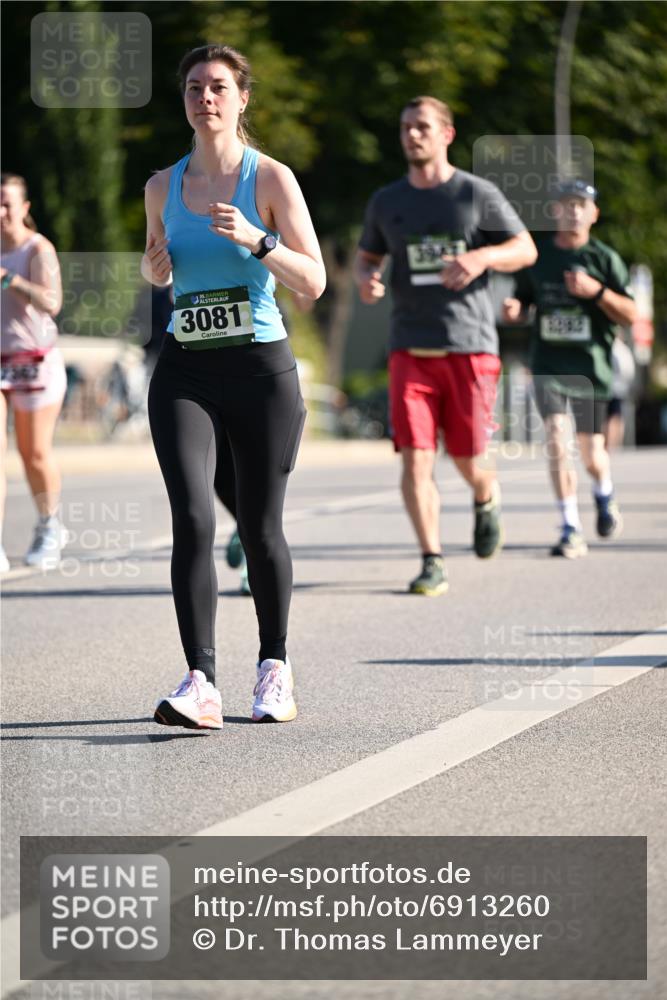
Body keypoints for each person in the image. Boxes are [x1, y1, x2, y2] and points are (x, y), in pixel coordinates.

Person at [143, 44, 325, 729]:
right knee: (191, 518)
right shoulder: (162, 185)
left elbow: (314, 283)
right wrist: (154, 268)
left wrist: (259, 240)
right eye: (193, 87)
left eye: (218, 86)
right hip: (186, 368)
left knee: (258, 526)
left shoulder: (270, 179)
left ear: (242, 99)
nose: (204, 98)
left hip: (259, 368)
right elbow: (159, 269)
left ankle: (273, 667)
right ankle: (200, 682)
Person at [354, 96, 537, 596]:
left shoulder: (476, 194)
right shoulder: (387, 201)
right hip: (410, 348)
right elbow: (367, 256)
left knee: (467, 457)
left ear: (447, 134)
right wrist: (368, 279)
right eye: (406, 127)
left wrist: (481, 257)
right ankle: (431, 558)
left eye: (422, 127)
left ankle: (485, 496)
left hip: (469, 346)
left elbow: (526, 249)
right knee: (416, 458)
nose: (412, 135)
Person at [503, 179, 636, 558]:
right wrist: (516, 311)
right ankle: (569, 526)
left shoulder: (604, 259)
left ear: (594, 213)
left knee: (592, 454)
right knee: (558, 444)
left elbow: (629, 314)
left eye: (581, 204)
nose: (573, 211)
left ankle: (604, 492)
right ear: (554, 212)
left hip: (589, 368)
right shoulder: (538, 257)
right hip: (548, 366)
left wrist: (595, 291)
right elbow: (523, 301)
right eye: (566, 204)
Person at [0, 172, 67, 572]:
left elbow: (52, 302)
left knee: (33, 453)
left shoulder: (38, 249)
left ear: (25, 208)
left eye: (7, 202)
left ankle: (49, 527)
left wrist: (9, 279)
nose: (1, 211)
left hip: (34, 362)